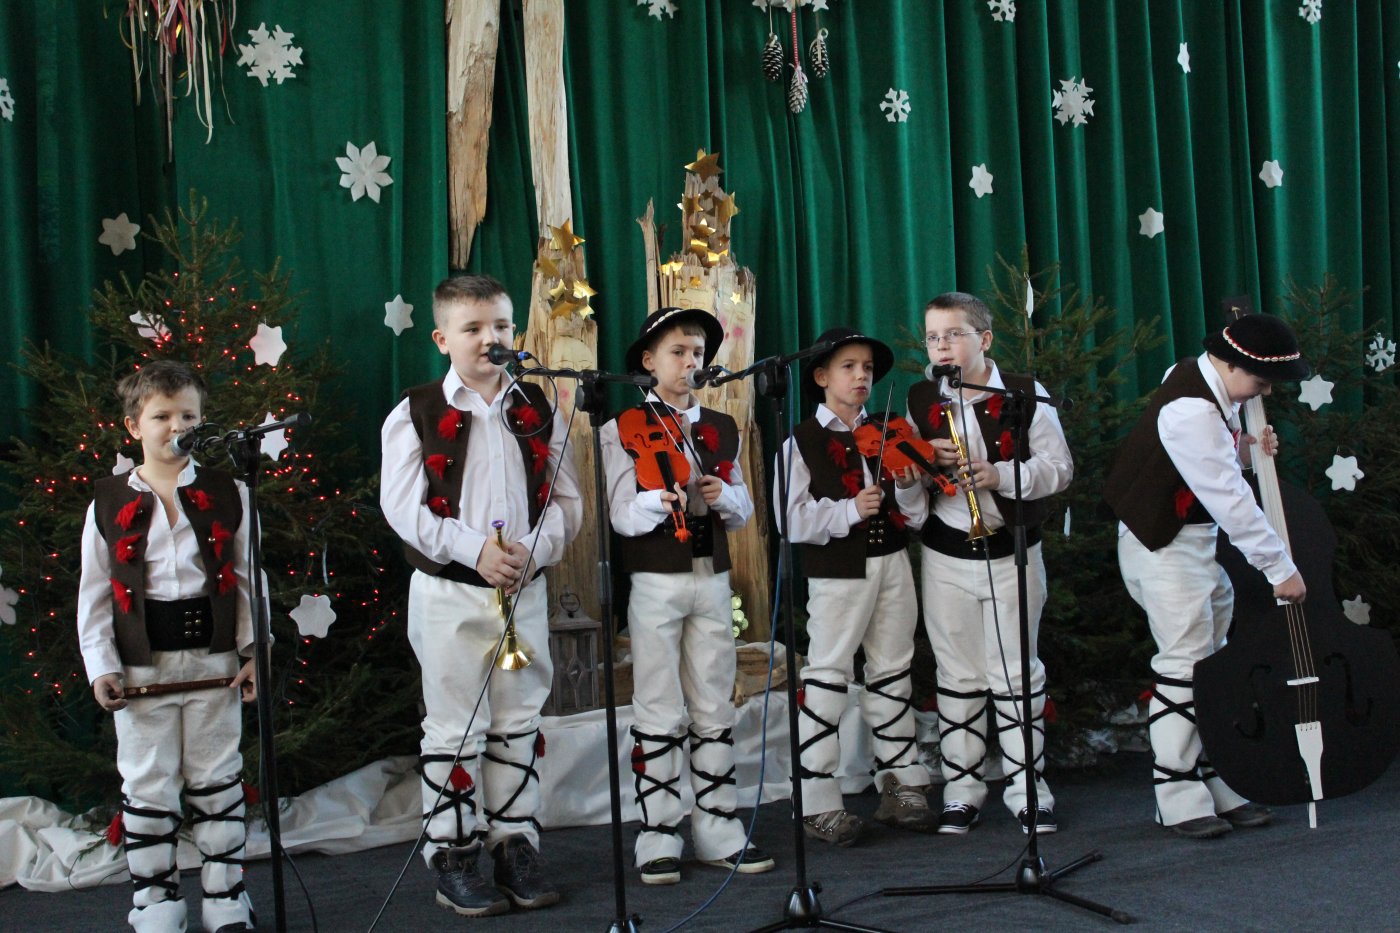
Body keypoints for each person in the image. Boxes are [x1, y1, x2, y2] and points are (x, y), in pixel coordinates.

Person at [380, 274, 582, 915]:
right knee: (453, 727)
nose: (488, 338)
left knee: (517, 721)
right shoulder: (415, 412)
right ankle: (454, 853)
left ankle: (514, 844)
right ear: (442, 339)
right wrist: (475, 551)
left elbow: (566, 498)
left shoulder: (537, 406)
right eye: (471, 328)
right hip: (451, 594)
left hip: (522, 589)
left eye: (499, 326)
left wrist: (535, 551)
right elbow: (403, 509)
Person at [1105, 311, 1307, 839]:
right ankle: (1176, 795)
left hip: (1195, 543)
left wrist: (1245, 449)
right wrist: (1279, 568)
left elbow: (1215, 459)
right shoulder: (1191, 408)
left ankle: (1215, 778)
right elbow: (1228, 496)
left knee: (1210, 662)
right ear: (1231, 365)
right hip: (1164, 545)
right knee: (1184, 665)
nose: (1264, 392)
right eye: (1260, 381)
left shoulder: (1196, 379)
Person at [77, 359, 258, 933]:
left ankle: (226, 898)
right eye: (161, 416)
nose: (176, 426)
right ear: (134, 426)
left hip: (213, 659)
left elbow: (248, 576)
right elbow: (94, 593)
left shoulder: (230, 492)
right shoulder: (106, 501)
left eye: (188, 416)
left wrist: (254, 651)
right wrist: (101, 666)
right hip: (142, 667)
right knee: (149, 783)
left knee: (217, 777)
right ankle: (155, 903)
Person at [600, 306, 775, 884]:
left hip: (712, 577)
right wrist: (658, 501)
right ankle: (657, 831)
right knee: (656, 700)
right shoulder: (623, 426)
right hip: (655, 579)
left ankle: (719, 825)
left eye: (697, 352)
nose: (690, 362)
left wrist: (724, 494)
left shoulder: (722, 426)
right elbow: (621, 515)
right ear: (649, 361)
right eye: (678, 352)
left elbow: (743, 511)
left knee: (714, 699)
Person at [904, 291, 1074, 835]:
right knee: (956, 675)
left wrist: (1001, 474)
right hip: (946, 551)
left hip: (1011, 549)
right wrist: (921, 465)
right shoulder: (920, 398)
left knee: (1017, 673)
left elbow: (1059, 468)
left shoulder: (1023, 392)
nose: (941, 346)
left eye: (952, 335)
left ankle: (1029, 790)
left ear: (984, 339)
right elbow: (909, 486)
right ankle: (962, 789)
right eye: (932, 337)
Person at [777, 326, 937, 847]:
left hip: (892, 561)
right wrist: (850, 509)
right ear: (823, 377)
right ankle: (816, 799)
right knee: (827, 676)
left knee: (893, 670)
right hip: (837, 570)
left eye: (867, 368)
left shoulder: (891, 432)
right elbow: (789, 520)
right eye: (849, 367)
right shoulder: (801, 440)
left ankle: (901, 784)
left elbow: (916, 518)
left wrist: (908, 487)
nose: (861, 376)